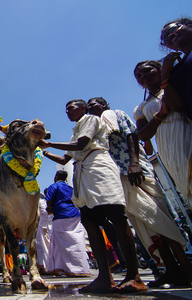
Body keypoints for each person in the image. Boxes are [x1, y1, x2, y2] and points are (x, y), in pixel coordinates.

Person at [41, 99, 146, 293]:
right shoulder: (76, 130)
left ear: (83, 108)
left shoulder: (89, 119)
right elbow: (65, 158)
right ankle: (105, 278)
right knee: (90, 222)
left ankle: (134, 276)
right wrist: (44, 151)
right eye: (65, 109)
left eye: (71, 108)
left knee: (116, 217)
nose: (67, 111)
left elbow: (82, 144)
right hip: (84, 174)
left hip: (99, 168)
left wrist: (48, 142)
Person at [89, 96, 192, 287]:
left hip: (135, 171)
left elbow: (131, 135)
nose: (90, 107)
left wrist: (134, 163)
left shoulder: (116, 114)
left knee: (159, 218)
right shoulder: (94, 126)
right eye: (88, 106)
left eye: (94, 104)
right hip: (117, 177)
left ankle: (186, 269)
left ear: (104, 104)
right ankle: (171, 270)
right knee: (145, 225)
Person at [133, 60, 192, 210]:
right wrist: (160, 115)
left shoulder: (173, 85)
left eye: (147, 71)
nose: (143, 76)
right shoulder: (140, 108)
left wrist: (166, 78)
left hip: (185, 131)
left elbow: (177, 106)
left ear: (159, 70)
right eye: (139, 75)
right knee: (186, 186)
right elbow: (143, 135)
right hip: (167, 148)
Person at [45, 170, 90, 277]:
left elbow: (49, 201)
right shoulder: (70, 188)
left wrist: (50, 209)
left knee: (60, 243)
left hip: (61, 216)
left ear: (56, 177)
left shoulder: (54, 186)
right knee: (76, 240)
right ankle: (79, 267)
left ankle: (67, 268)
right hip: (75, 215)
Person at [158, 18, 192, 121]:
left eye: (173, 29)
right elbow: (177, 106)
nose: (170, 36)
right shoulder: (176, 71)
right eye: (165, 38)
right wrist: (165, 74)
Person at [35, 188, 51, 274]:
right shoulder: (42, 202)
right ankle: (44, 266)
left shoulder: (43, 203)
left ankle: (47, 266)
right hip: (44, 228)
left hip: (47, 227)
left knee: (45, 248)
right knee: (42, 247)